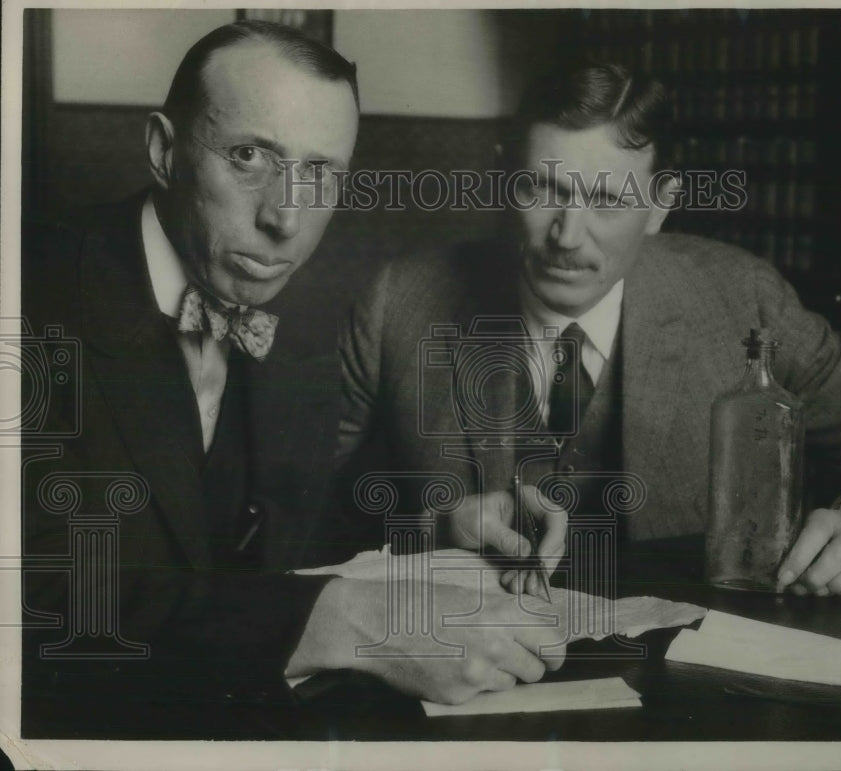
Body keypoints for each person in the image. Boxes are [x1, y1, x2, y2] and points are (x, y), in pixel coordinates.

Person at [20, 21, 566, 733]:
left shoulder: (303, 319)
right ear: (163, 150)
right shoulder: (29, 298)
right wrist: (337, 621)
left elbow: (283, 541)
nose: (286, 218)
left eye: (321, 174)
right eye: (249, 156)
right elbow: (31, 605)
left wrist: (439, 529)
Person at [337, 63, 841, 600]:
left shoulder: (738, 300)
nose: (567, 235)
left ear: (660, 203)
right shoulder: (401, 302)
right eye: (543, 190)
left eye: (609, 200)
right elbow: (291, 521)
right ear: (506, 178)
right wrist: (428, 532)